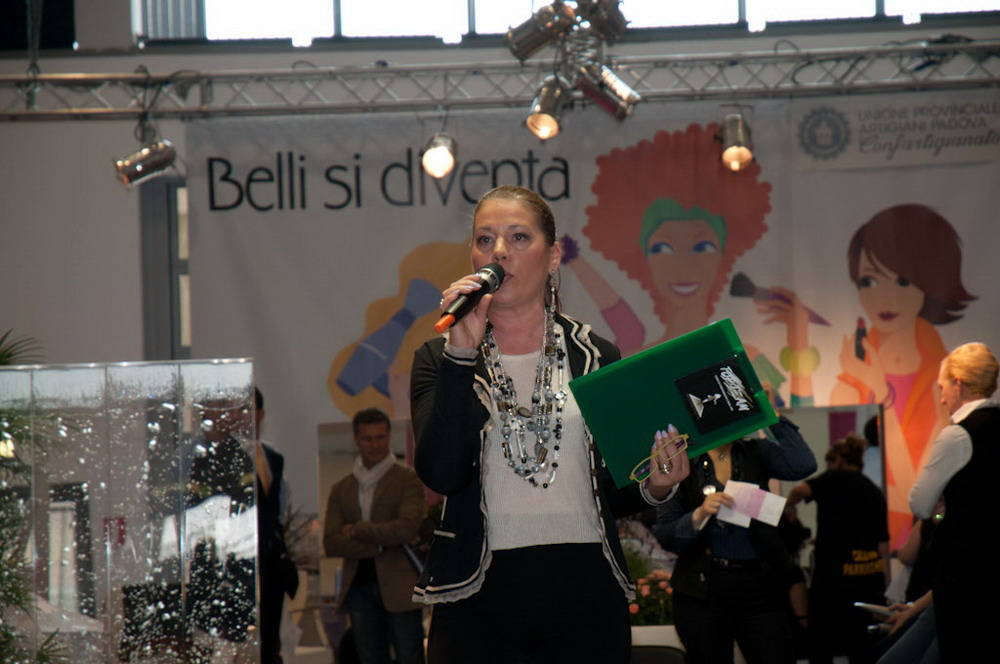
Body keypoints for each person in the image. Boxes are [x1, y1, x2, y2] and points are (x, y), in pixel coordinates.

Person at [409, 184, 690, 664]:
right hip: (478, 591)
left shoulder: (595, 354)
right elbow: (441, 472)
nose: (499, 252)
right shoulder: (440, 358)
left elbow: (610, 486)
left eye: (519, 237)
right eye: (485, 239)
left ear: (554, 256)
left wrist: (656, 484)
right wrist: (461, 356)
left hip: (584, 584)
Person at [763, 204, 976, 546]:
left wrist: (882, 391)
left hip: (912, 541)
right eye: (869, 281)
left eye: (903, 280)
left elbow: (912, 495)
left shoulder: (942, 383)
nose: (885, 296)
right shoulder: (848, 386)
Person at [652, 419, 816, 664]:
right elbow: (665, 532)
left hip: (759, 582)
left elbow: (803, 464)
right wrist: (699, 515)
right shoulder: (683, 461)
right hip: (701, 588)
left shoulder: (756, 451)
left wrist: (771, 416)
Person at [908, 341, 999, 660]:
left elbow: (920, 504)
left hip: (964, 572)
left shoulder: (958, 435)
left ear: (958, 384)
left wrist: (941, 510)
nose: (942, 397)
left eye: (942, 387)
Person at [324, 407, 426, 664]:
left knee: (410, 657)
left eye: (380, 437)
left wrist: (357, 530)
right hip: (358, 587)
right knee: (369, 658)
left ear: (389, 437)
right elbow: (331, 542)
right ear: (356, 440)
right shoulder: (342, 488)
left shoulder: (407, 479)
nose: (375, 444)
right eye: (367, 438)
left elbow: (407, 528)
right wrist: (379, 546)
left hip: (400, 589)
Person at [786, 435, 889, 663]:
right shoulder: (874, 491)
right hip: (868, 578)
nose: (828, 468)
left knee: (820, 644)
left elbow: (801, 490)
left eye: (830, 462)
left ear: (840, 460)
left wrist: (788, 507)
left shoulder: (834, 477)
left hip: (833, 581)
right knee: (861, 647)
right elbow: (882, 543)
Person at [252, 387, 300, 664]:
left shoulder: (273, 457)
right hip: (239, 560)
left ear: (260, 414)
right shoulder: (222, 457)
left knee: (271, 641)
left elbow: (281, 508)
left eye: (249, 410)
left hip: (271, 561)